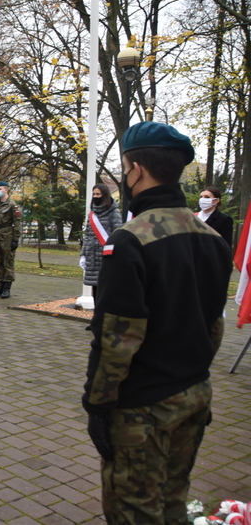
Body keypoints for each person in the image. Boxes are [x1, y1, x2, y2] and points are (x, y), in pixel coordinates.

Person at [82, 121, 231, 524]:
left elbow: (117, 337)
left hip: (142, 407)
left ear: (136, 169)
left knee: (134, 512)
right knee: (172, 501)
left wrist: (97, 403)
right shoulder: (212, 238)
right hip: (194, 393)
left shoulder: (131, 239)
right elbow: (214, 324)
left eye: (124, 167)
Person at [80, 184, 123, 298]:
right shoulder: (92, 213)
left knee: (106, 291)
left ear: (105, 195)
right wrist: (83, 255)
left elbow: (118, 235)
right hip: (92, 257)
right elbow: (87, 235)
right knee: (95, 291)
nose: (95, 196)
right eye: (94, 194)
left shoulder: (114, 212)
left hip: (106, 256)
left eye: (98, 194)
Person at [0, 181, 21, 299]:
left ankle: (7, 287)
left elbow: (17, 223)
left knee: (8, 262)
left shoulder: (12, 205)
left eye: (0, 189)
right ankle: (0, 285)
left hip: (7, 236)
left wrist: (15, 239)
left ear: (6, 190)